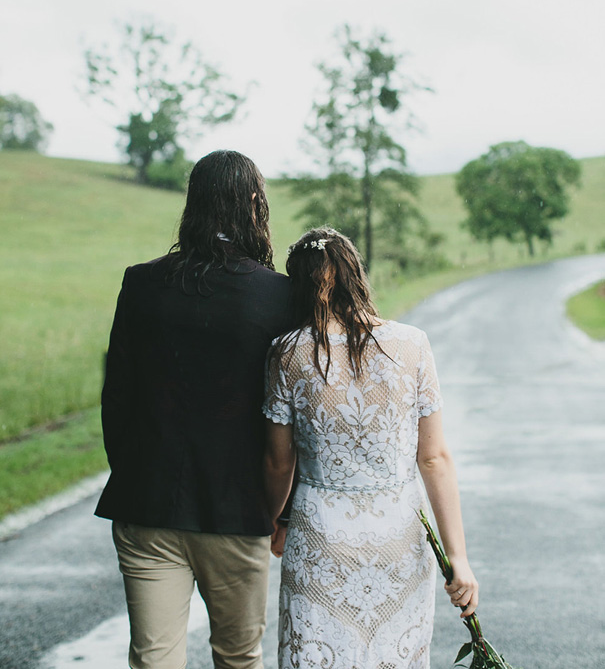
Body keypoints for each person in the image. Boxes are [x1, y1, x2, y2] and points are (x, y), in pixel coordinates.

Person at [95, 150, 295, 669]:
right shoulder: (279, 296)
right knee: (238, 659)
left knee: (153, 660)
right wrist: (283, 511)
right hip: (239, 512)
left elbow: (116, 397)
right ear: (255, 203)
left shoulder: (140, 283)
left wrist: (135, 471)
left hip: (146, 505)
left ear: (193, 203)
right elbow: (293, 419)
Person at [262, 228, 478, 669]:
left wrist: (272, 520)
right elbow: (433, 458)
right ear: (356, 275)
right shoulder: (412, 344)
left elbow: (279, 463)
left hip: (319, 538)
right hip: (399, 537)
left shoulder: (286, 353)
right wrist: (458, 556)